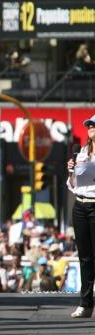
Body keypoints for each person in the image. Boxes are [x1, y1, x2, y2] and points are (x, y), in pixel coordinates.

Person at [67, 115, 95, 318]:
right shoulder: (82, 152)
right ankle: (85, 303)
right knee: (84, 257)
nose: (90, 127)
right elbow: (73, 184)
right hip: (80, 205)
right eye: (88, 125)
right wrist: (71, 171)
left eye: (94, 125)